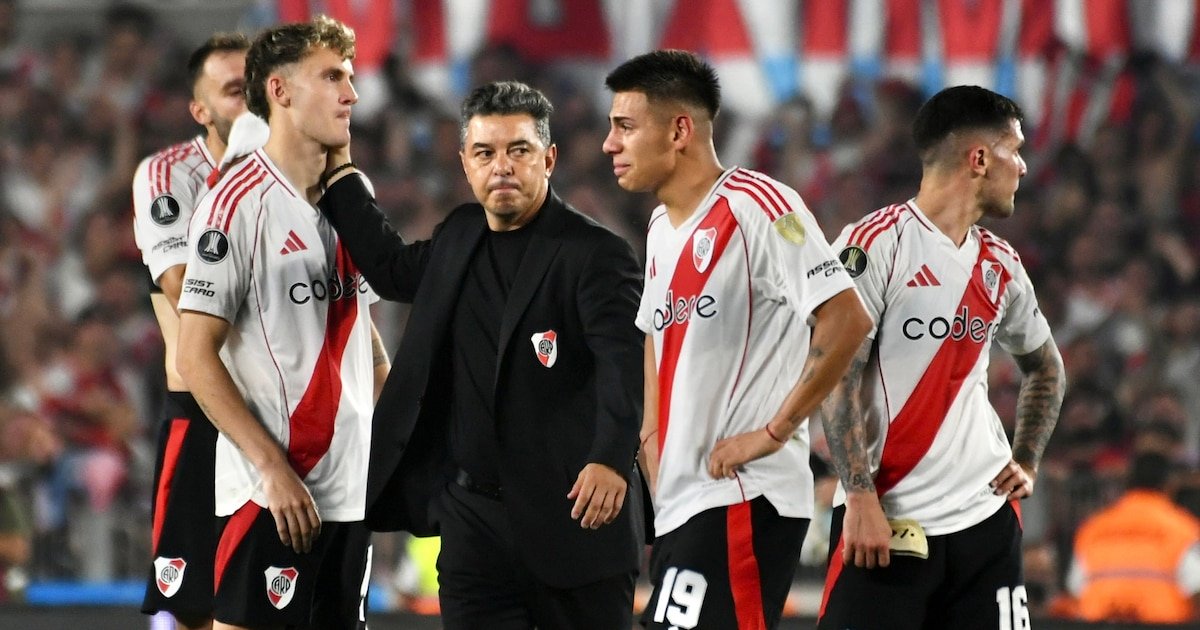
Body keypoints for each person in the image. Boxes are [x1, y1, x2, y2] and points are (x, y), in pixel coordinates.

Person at [317, 80, 645, 629]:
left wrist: (612, 458)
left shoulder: (595, 254)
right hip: (473, 525)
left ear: (549, 158)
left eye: (519, 150)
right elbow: (392, 269)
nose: (503, 168)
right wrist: (338, 173)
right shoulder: (459, 236)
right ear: (466, 163)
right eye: (486, 153)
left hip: (575, 523)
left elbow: (624, 365)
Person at [602, 49, 872, 629]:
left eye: (625, 125)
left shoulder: (759, 207)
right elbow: (653, 333)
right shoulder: (659, 228)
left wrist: (774, 432)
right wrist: (651, 441)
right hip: (683, 503)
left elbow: (847, 319)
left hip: (743, 497)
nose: (609, 143)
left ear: (680, 130)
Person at [816, 85, 1066, 630]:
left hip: (985, 524)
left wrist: (1025, 457)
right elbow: (834, 376)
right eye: (1014, 150)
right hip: (884, 523)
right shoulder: (871, 245)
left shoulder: (1002, 263)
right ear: (979, 158)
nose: (1023, 167)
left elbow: (1045, 368)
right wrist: (858, 495)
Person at [175, 16, 388, 630]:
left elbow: (359, 326)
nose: (351, 94)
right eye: (333, 77)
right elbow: (195, 356)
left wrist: (398, 436)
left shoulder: (353, 191)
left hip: (349, 490)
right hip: (272, 493)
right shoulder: (235, 203)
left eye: (350, 78)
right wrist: (270, 466)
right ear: (280, 91)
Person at [131, 32, 249, 629]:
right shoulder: (168, 175)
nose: (250, 101)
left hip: (284, 413)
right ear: (200, 110)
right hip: (202, 409)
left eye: (259, 88)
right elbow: (183, 287)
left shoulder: (307, 177)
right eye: (234, 91)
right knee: (188, 607)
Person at [1068, 450, 1200, 623]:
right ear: (1169, 484)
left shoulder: (1093, 528)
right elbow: (1196, 586)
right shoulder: (1183, 529)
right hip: (1163, 625)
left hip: (1101, 625)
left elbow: (1075, 587)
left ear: (1128, 482)